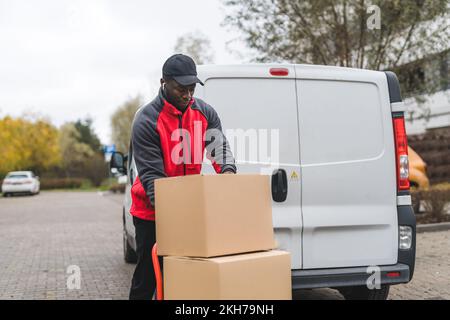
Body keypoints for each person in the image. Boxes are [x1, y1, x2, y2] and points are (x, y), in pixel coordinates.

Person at [128, 54, 236, 300]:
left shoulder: (204, 112)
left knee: (183, 277)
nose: (187, 95)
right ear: (163, 83)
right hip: (151, 213)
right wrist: (180, 217)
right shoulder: (146, 120)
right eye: (181, 89)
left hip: (188, 209)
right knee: (149, 276)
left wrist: (228, 176)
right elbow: (154, 180)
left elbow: (220, 152)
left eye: (191, 89)